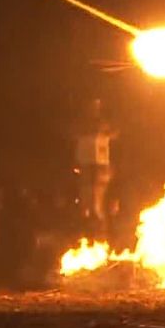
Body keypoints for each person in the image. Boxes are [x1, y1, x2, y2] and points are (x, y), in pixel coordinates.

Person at [73, 98, 118, 239]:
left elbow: (113, 133)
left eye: (96, 106)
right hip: (87, 165)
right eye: (92, 106)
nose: (94, 109)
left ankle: (100, 236)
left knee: (97, 203)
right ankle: (87, 236)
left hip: (99, 165)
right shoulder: (82, 124)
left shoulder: (103, 124)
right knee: (87, 202)